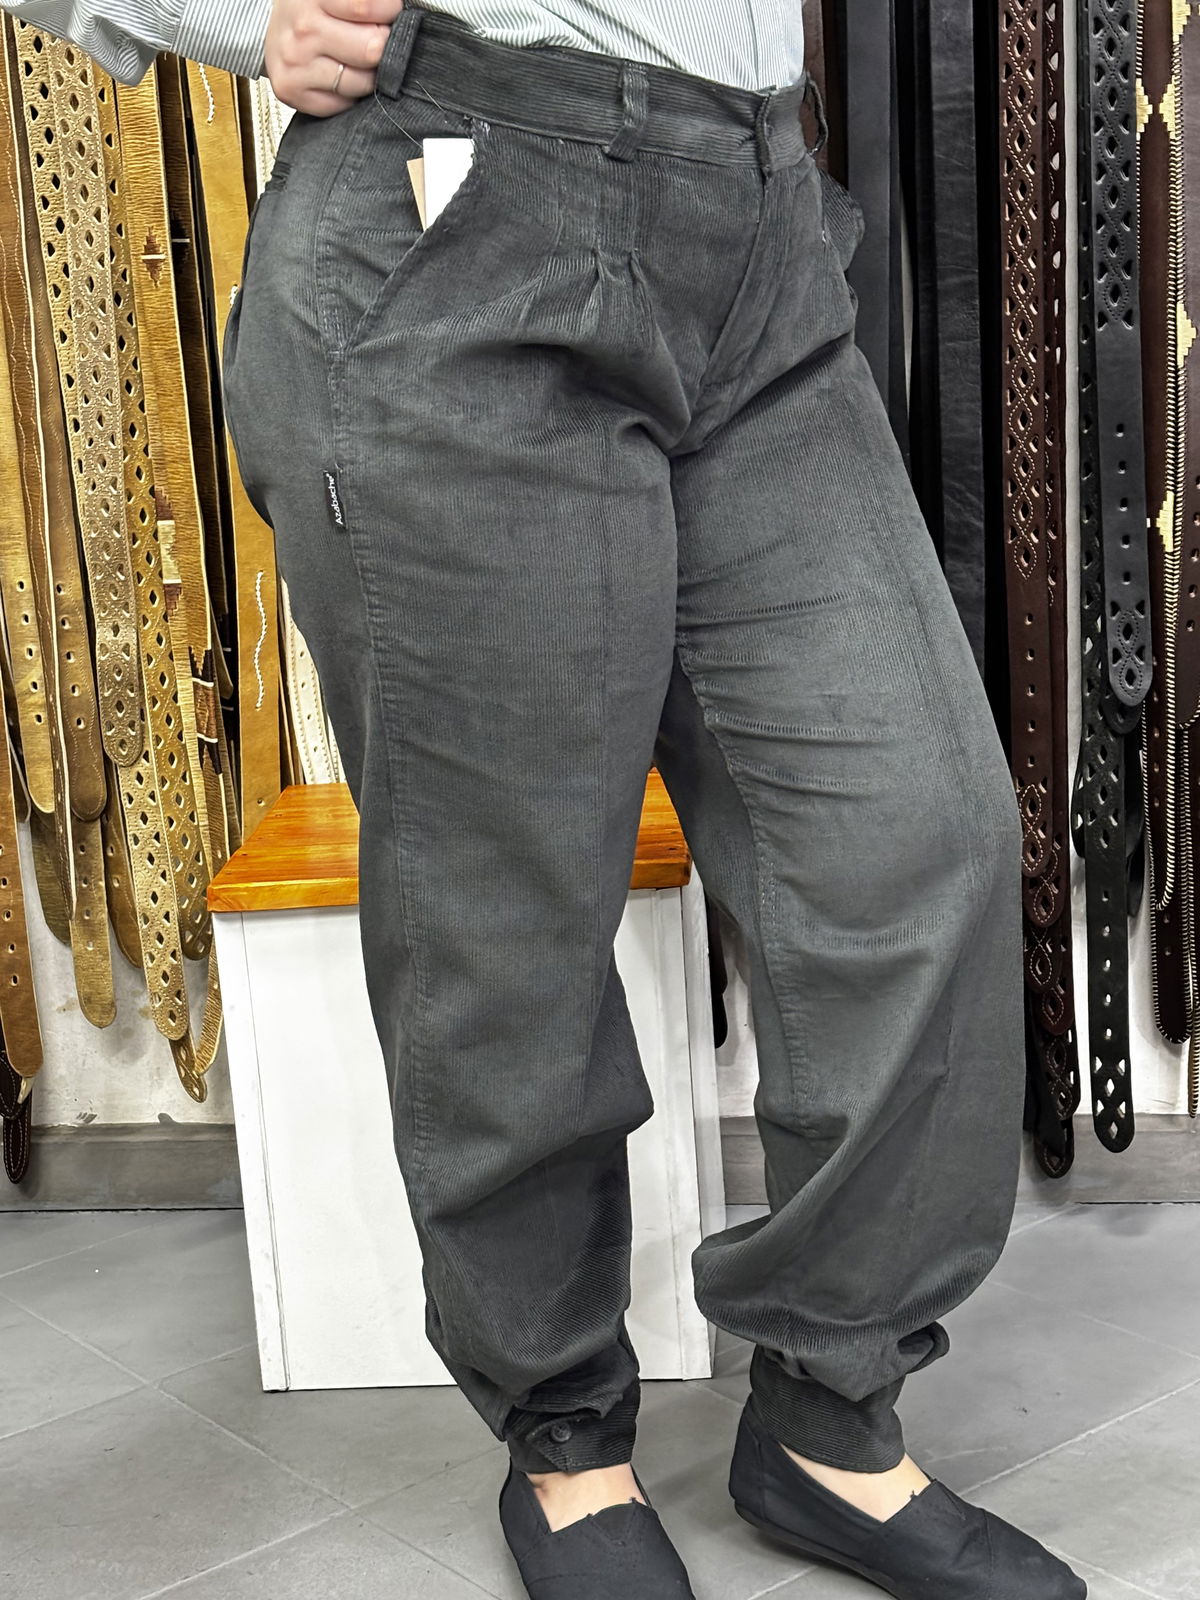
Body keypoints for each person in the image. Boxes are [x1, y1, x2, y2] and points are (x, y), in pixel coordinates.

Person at [0, 3, 1087, 1597]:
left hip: (757, 231)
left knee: (918, 837)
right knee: (505, 917)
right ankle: (566, 1445)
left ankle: (828, 1416)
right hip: (451, 217)